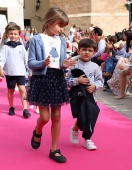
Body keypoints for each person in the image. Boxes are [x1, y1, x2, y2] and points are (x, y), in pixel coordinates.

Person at [27, 7, 76, 163]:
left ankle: (54, 149)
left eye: (63, 26)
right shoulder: (36, 39)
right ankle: (38, 129)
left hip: (57, 79)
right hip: (41, 79)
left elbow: (61, 63)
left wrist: (65, 64)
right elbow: (31, 63)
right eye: (60, 25)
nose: (62, 29)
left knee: (56, 116)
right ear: (49, 22)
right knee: (45, 117)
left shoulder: (61, 40)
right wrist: (43, 63)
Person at [65, 38, 103, 150]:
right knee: (82, 116)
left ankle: (87, 138)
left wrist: (94, 86)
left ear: (94, 52)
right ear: (79, 50)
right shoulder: (74, 65)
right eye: (84, 49)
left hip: (91, 97)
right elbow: (68, 81)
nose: (87, 52)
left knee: (90, 116)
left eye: (90, 50)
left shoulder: (95, 67)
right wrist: (78, 81)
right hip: (78, 96)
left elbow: (100, 81)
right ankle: (79, 132)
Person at [0, 24, 31, 118]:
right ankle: (11, 107)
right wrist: (1, 68)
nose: (13, 35)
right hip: (9, 73)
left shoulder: (21, 47)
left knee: (22, 90)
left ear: (18, 35)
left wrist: (30, 70)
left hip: (20, 72)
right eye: (11, 34)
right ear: (8, 34)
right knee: (10, 90)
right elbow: (2, 59)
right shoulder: (5, 47)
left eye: (15, 34)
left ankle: (25, 109)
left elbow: (26, 60)